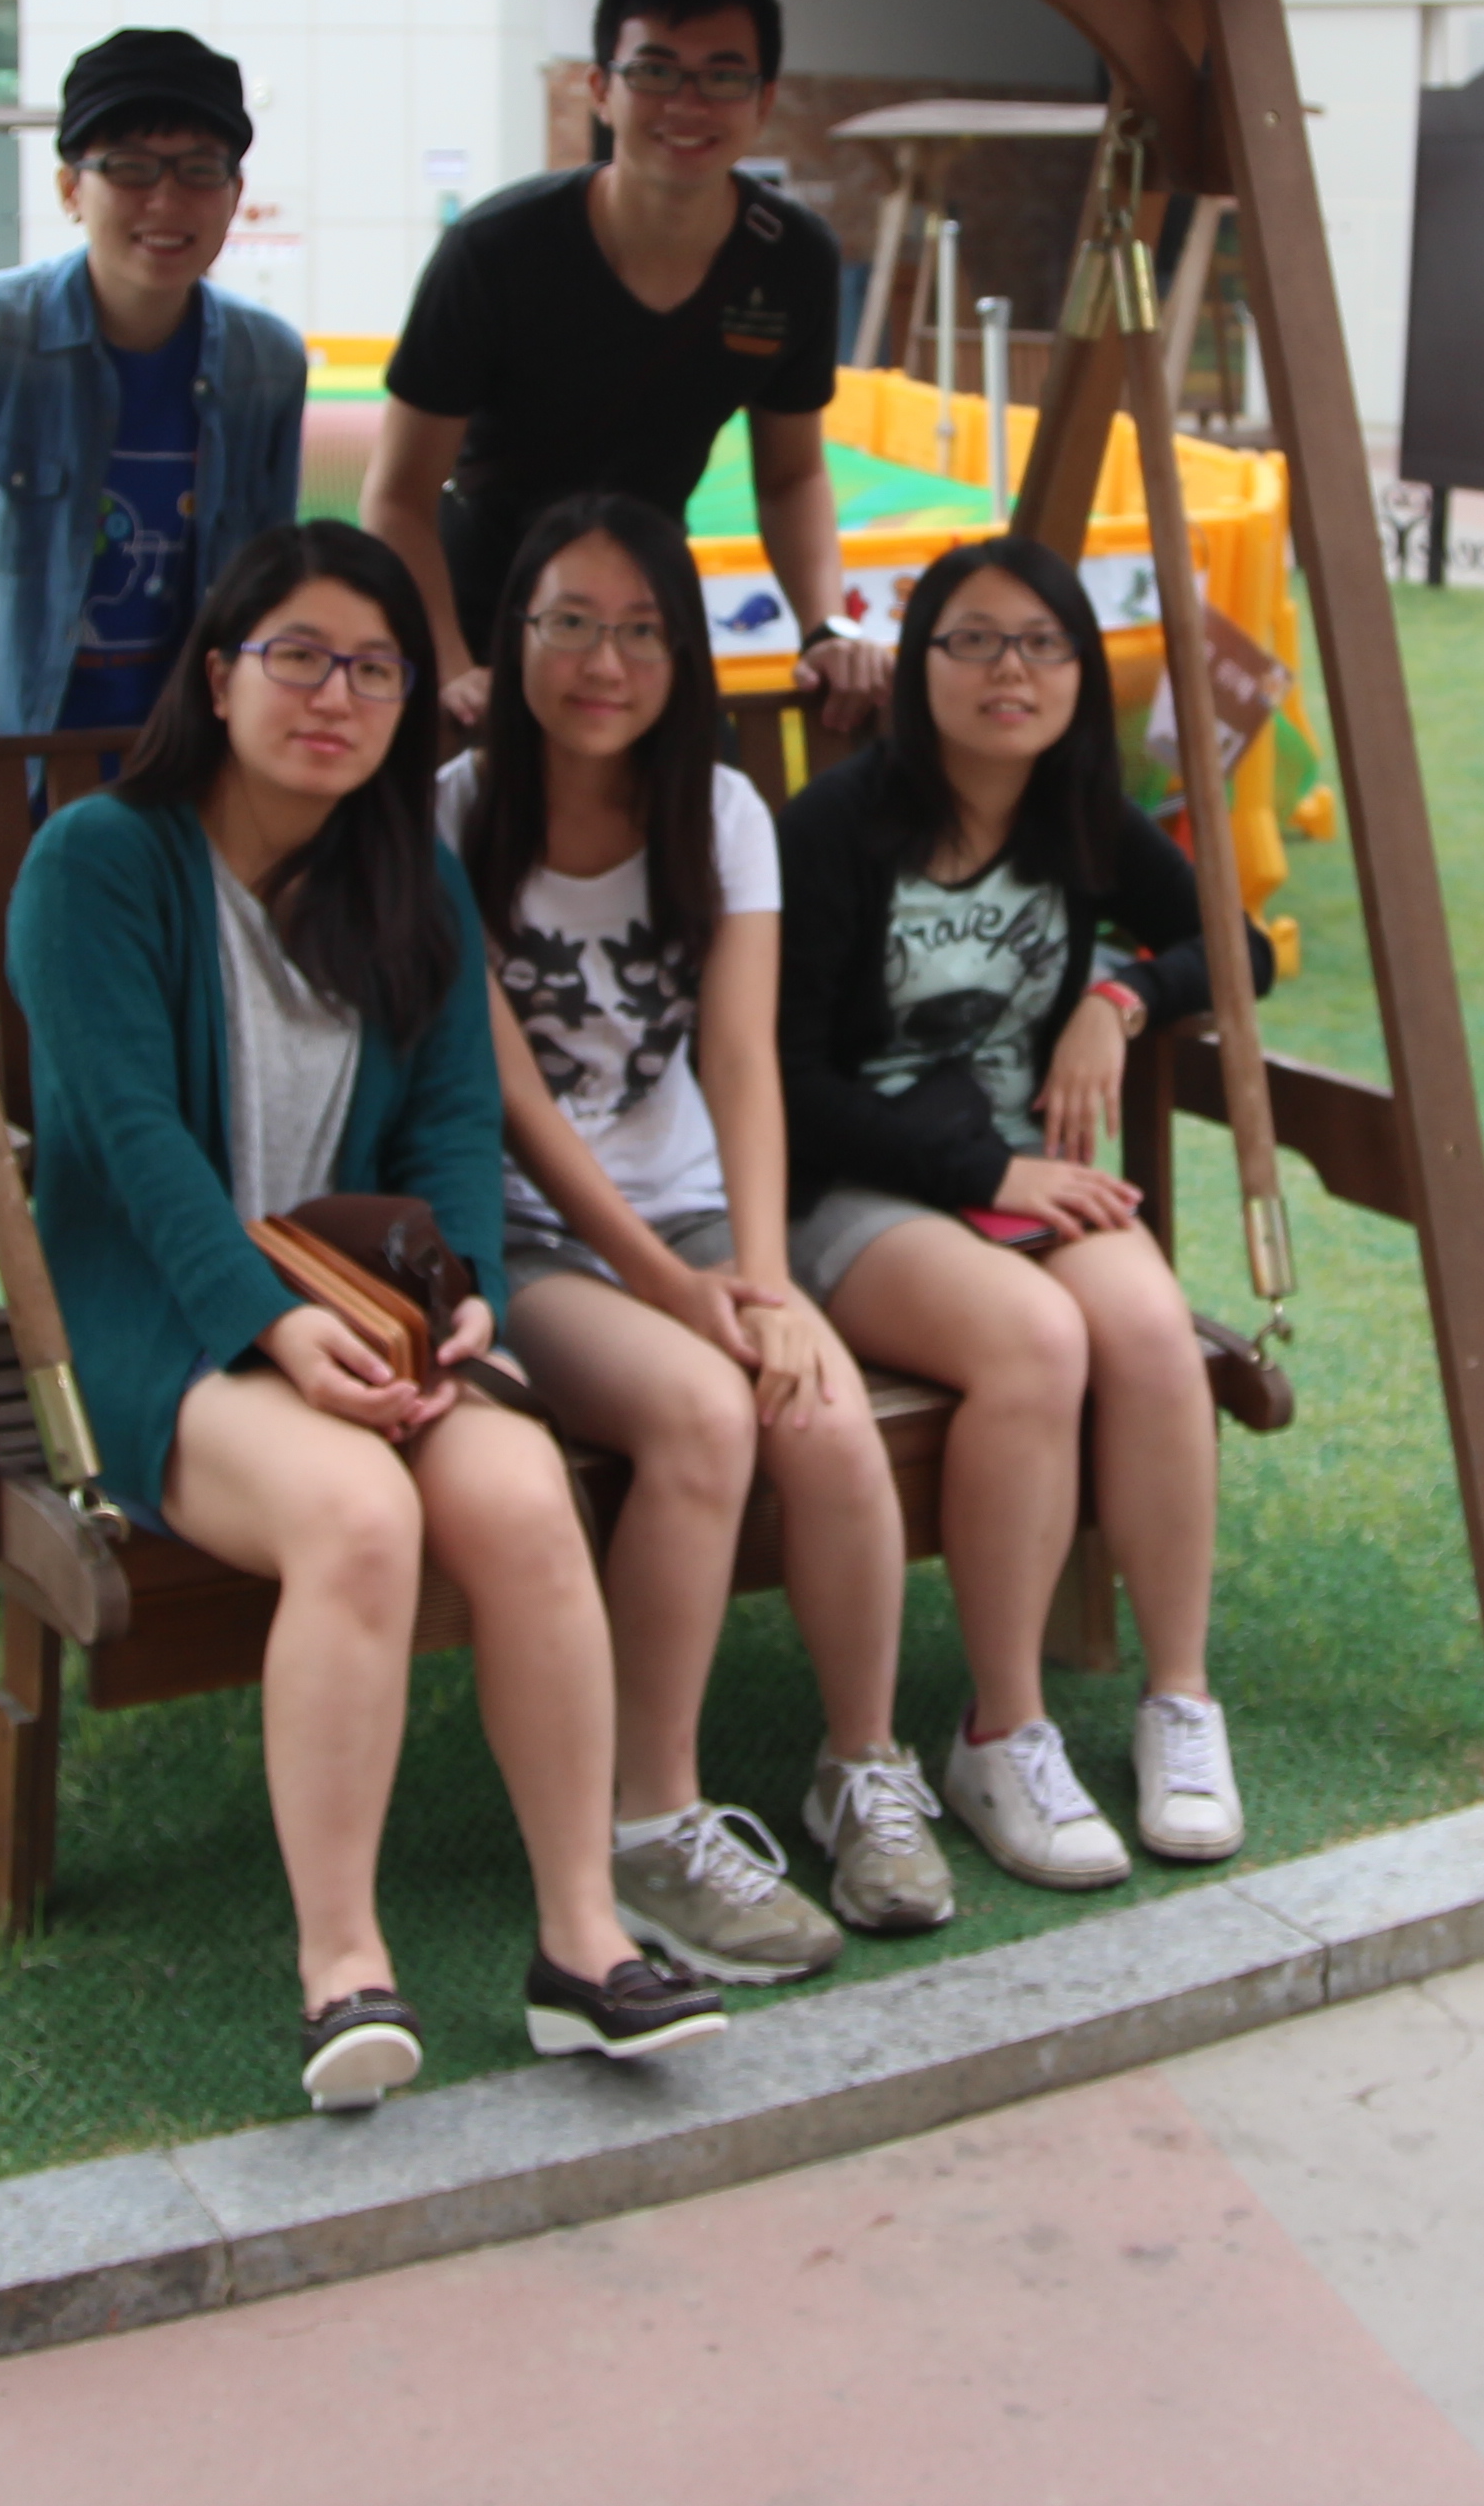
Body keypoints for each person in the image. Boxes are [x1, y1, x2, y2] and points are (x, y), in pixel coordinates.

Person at [8, 523, 725, 2108]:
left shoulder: (408, 882)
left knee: (528, 1501)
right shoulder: (101, 865)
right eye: (301, 657)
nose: (337, 696)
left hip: (373, 1318)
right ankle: (344, 1963)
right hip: (175, 1325)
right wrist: (272, 1329)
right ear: (220, 675)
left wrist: (459, 1301)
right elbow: (133, 1145)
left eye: (378, 669)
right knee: (359, 1517)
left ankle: (582, 1942)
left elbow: (451, 1133)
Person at [439, 492, 955, 1980]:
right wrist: (680, 1292)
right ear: (514, 638)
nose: (605, 660)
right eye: (570, 624)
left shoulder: (721, 811)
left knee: (828, 1417)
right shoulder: (452, 814)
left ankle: (862, 1767)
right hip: (532, 1240)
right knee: (699, 1414)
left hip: (699, 1215)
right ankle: (648, 1821)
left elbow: (738, 1061)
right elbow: (513, 1098)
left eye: (644, 630)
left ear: (686, 651)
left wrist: (771, 1282)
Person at [0, 25, 309, 1646]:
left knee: (168, 1131)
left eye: (197, 170)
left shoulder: (258, 364)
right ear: (71, 182)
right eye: (130, 168)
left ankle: (168, 1426)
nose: (163, 201)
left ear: (234, 191)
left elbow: (256, 606)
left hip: (164, 833)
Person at [776, 536, 1270, 1889]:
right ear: (917, 663)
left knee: (1154, 1334)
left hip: (1023, 1181)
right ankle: (1002, 1727)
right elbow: (786, 1080)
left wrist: (1115, 1004)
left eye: (1044, 645)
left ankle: (1180, 1698)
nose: (1013, 671)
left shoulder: (1080, 824)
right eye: (974, 641)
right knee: (1036, 1346)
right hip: (858, 1193)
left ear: (1078, 675)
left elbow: (1239, 951)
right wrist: (988, 1177)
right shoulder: (833, 833)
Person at [368, 0, 892, 737]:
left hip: (650, 608)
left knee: (688, 840)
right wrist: (450, 666)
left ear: (764, 100)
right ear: (599, 88)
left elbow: (791, 476)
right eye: (655, 70)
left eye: (722, 77)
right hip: (485, 616)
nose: (687, 105)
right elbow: (398, 493)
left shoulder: (791, 260)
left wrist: (825, 626)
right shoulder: (495, 249)